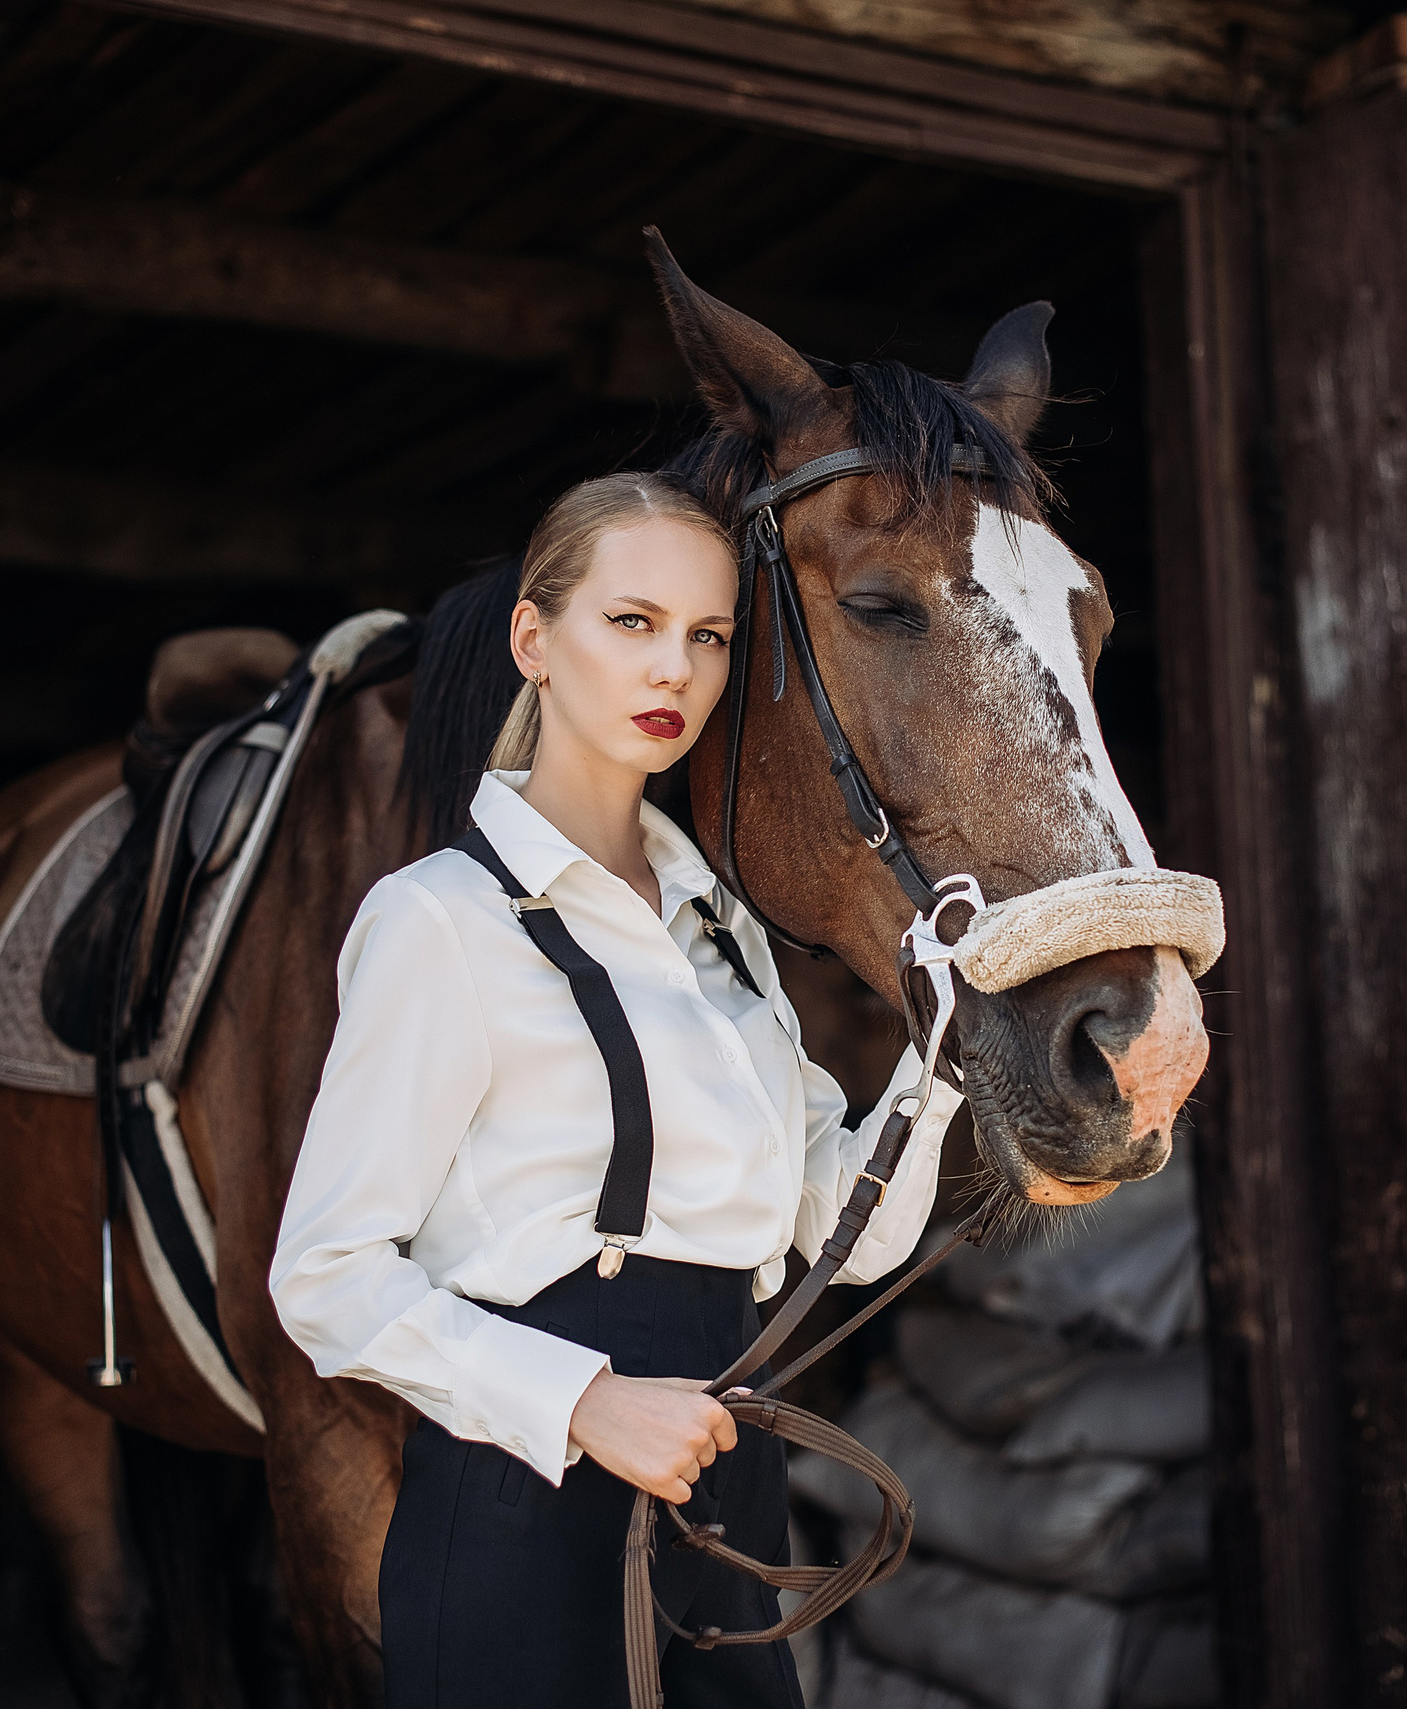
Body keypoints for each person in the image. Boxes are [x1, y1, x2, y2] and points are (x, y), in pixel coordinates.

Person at [269, 471, 963, 1709]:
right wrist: (586, 1401)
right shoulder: (439, 918)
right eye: (631, 622)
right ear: (535, 640)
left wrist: (947, 1050)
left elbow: (833, 1236)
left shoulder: (723, 933)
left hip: (721, 1486)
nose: (676, 670)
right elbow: (323, 1274)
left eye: (708, 636)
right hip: (525, 1503)